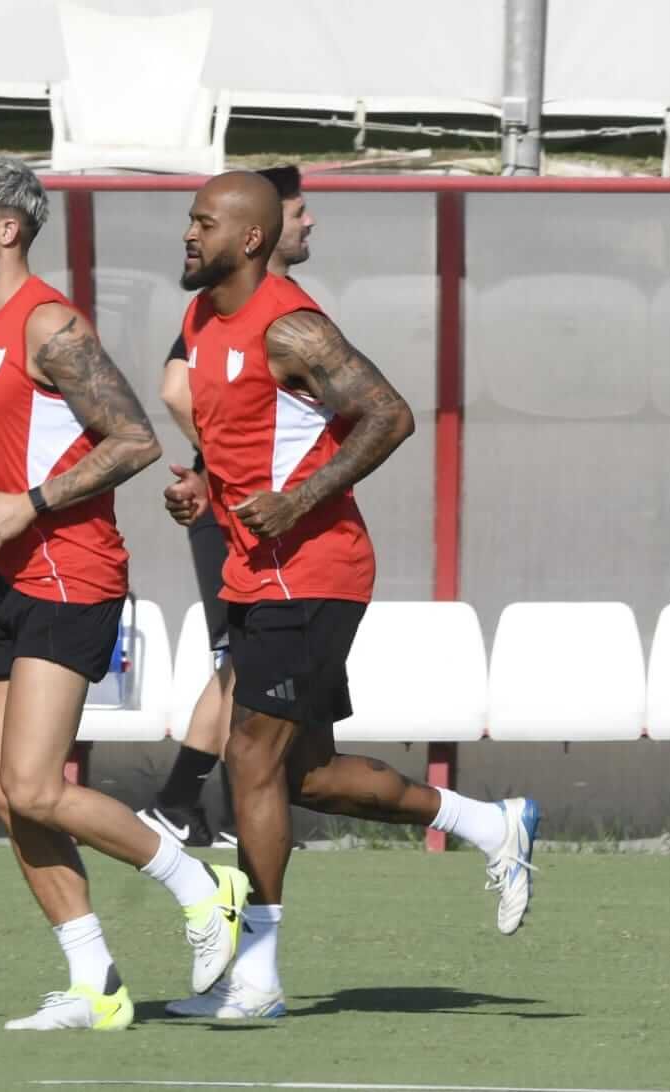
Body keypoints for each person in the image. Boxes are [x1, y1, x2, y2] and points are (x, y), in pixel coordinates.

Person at [161, 171, 540, 1020]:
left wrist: (296, 501)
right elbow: (252, 442)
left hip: (315, 569)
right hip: (252, 570)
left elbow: (389, 415)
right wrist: (204, 491)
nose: (188, 234)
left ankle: (254, 973)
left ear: (251, 239)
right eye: (188, 220)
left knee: (248, 757)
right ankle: (493, 825)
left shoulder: (290, 324)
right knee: (310, 778)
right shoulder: (199, 319)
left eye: (204, 222)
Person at [0, 156, 249, 1031]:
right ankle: (97, 984)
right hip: (12, 580)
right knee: (3, 789)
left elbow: (130, 439)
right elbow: (20, 470)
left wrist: (38, 504)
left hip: (73, 575)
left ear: (7, 229)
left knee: (38, 786)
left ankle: (201, 887)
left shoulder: (47, 322)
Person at [140, 165, 313, 849]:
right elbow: (177, 388)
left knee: (247, 662)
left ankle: (207, 802)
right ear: (259, 231)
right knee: (242, 661)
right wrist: (222, 467)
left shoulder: (279, 307)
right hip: (239, 512)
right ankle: (188, 800)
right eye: (299, 211)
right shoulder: (223, 306)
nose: (308, 223)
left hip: (256, 509)